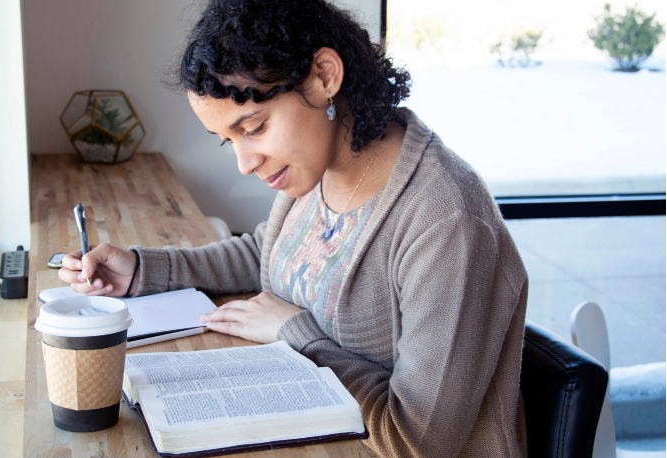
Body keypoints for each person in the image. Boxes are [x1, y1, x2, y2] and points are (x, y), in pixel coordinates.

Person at [58, 0, 529, 456]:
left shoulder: (446, 221)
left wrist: (296, 334)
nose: (245, 163)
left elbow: (417, 439)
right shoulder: (321, 167)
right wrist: (141, 270)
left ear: (324, 76)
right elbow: (273, 251)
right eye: (229, 140)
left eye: (255, 127)